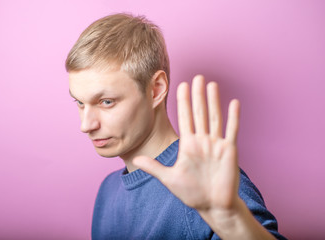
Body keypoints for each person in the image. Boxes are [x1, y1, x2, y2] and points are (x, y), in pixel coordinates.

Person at [65, 13, 286, 240]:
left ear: (156, 90)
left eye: (106, 102)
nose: (86, 125)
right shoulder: (107, 191)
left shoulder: (205, 180)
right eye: (80, 103)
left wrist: (231, 220)